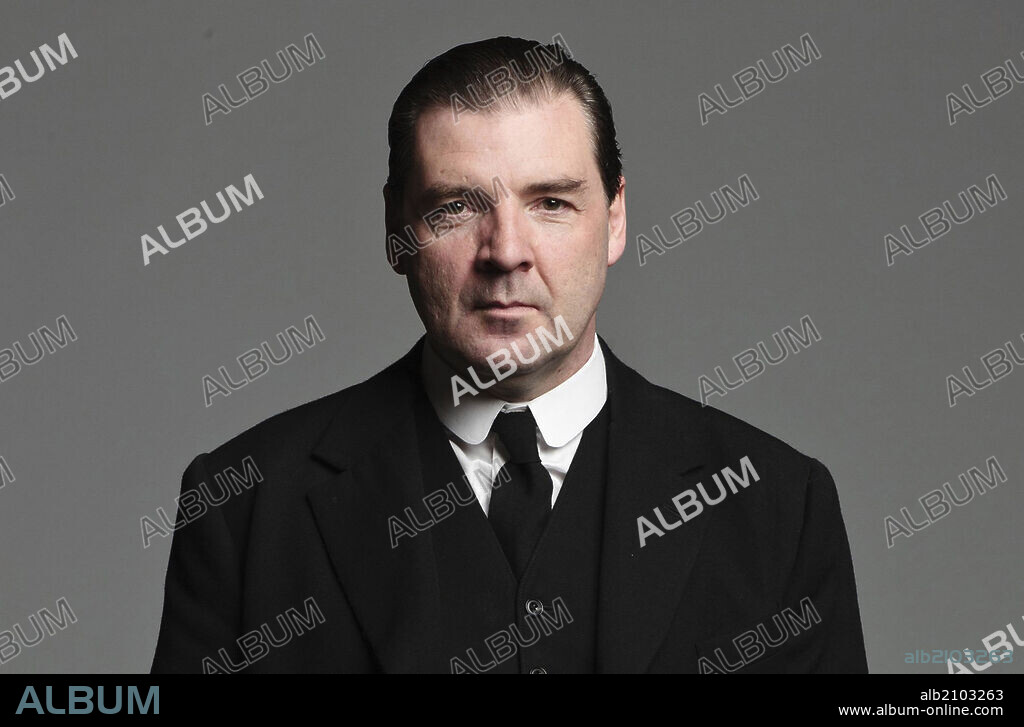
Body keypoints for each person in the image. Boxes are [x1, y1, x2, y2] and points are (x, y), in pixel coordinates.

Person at [151, 35, 868, 674]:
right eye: (456, 207)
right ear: (396, 228)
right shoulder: (243, 508)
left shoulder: (777, 507)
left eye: (551, 202)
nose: (506, 252)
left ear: (615, 219)